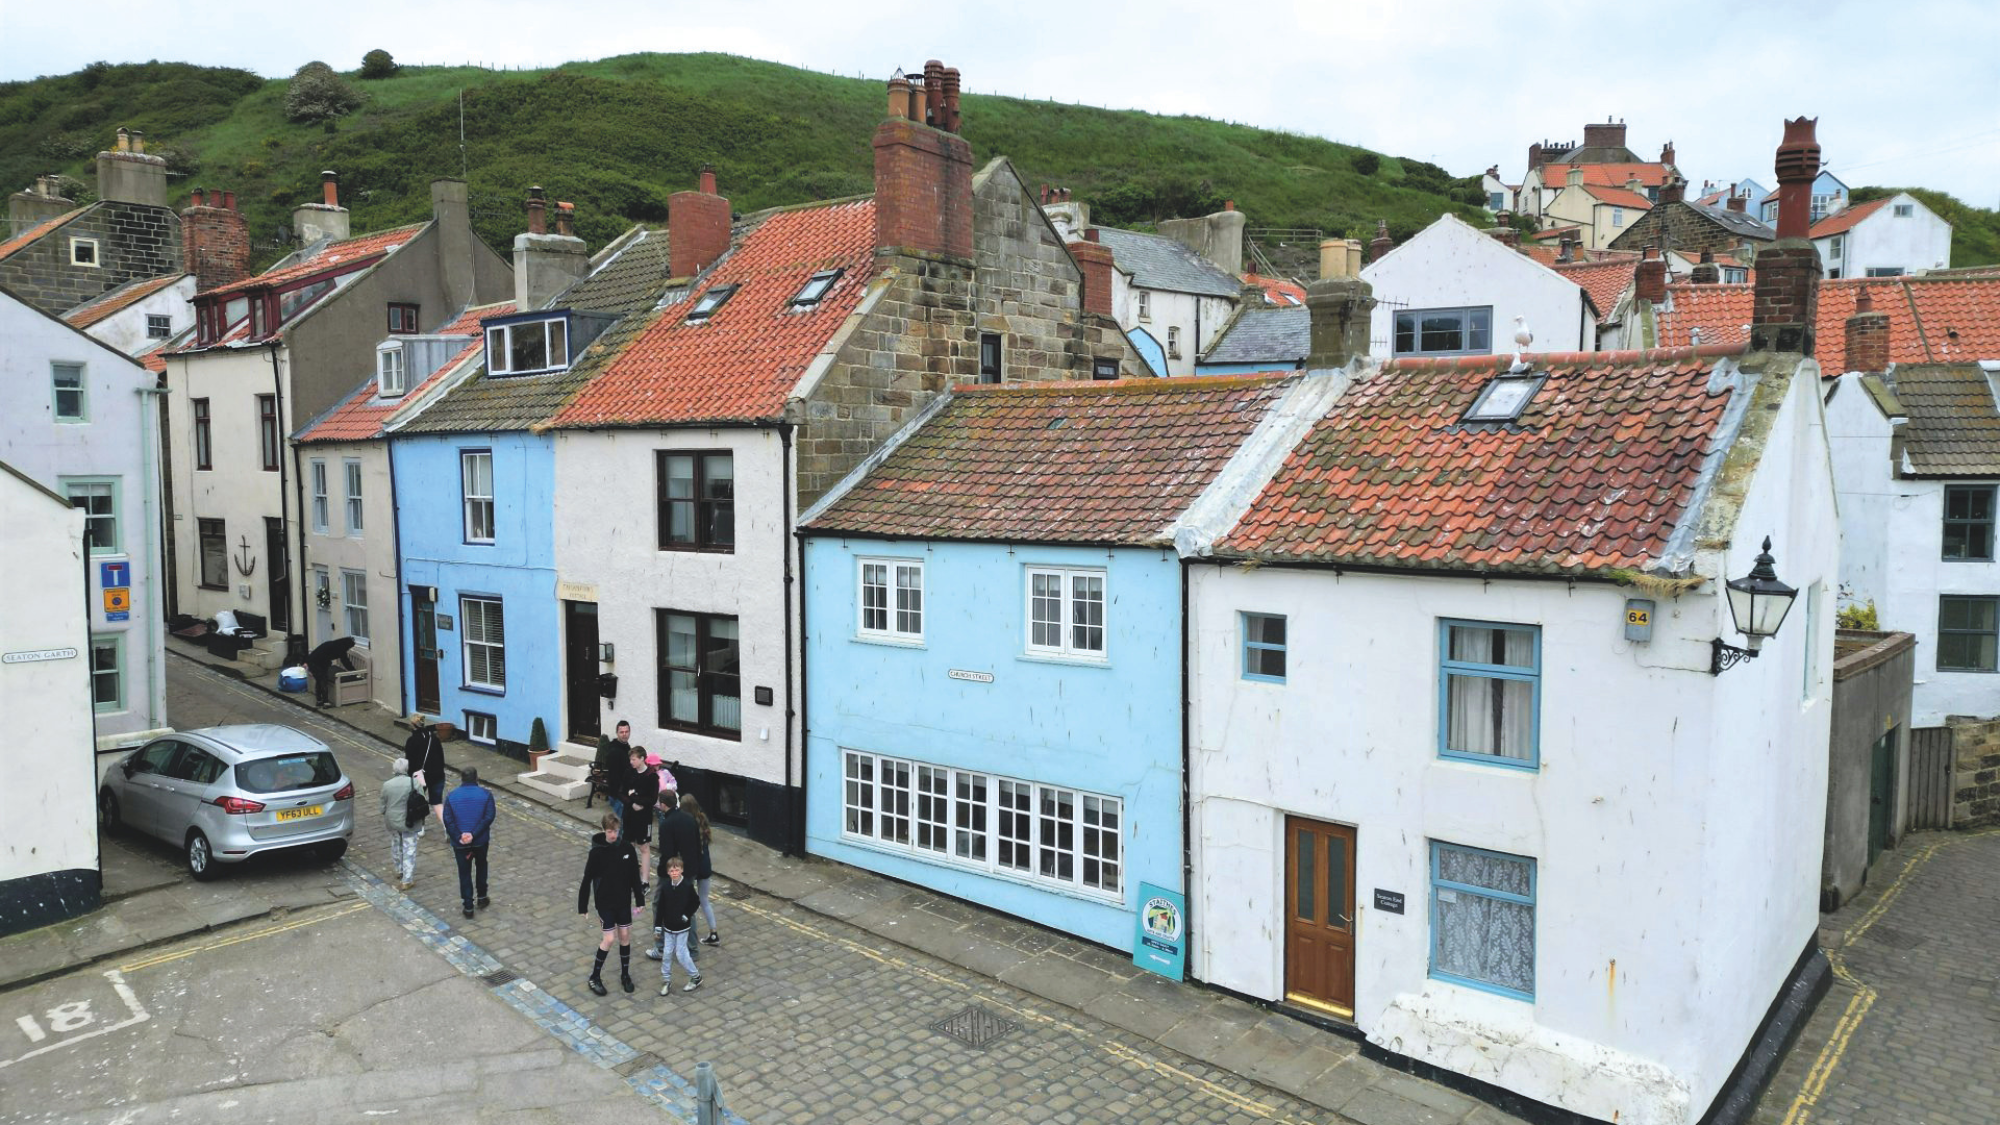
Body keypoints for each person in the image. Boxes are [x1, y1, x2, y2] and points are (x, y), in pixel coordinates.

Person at [576, 812, 645, 996]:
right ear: (603, 830)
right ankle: (595, 976)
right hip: (605, 902)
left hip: (622, 900)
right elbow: (587, 879)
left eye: (615, 831)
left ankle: (625, 975)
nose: (613, 835)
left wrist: (639, 900)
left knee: (624, 935)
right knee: (609, 939)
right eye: (609, 831)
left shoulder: (627, 849)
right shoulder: (597, 852)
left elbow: (633, 877)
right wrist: (582, 906)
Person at [662, 792, 719, 946]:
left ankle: (684, 932)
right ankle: (713, 932)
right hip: (706, 866)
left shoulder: (688, 823)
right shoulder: (702, 820)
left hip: (694, 868)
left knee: (687, 900)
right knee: (704, 900)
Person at [440, 768, 496, 920]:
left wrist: (460, 836)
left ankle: (468, 906)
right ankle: (482, 897)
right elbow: (488, 816)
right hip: (480, 841)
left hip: (460, 844)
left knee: (464, 873)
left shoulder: (452, 796)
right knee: (482, 866)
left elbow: (448, 820)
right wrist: (474, 834)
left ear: (462, 779)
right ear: (476, 778)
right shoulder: (486, 795)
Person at [652, 855, 702, 995]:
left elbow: (695, 901)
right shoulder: (666, 887)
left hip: (682, 928)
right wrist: (657, 927)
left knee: (681, 954)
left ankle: (696, 977)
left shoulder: (687, 886)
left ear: (681, 870)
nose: (674, 873)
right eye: (672, 871)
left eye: (677, 870)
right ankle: (666, 981)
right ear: (668, 872)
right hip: (668, 927)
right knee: (667, 953)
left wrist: (686, 915)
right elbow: (660, 908)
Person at [379, 760, 423, 890]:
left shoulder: (387, 785)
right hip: (409, 820)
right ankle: (407, 880)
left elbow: (382, 806)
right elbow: (422, 800)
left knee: (396, 843)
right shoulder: (414, 783)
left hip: (392, 820)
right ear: (407, 769)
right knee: (409, 848)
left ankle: (399, 870)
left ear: (394, 770)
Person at [622, 748, 661, 887]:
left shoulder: (651, 776)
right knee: (629, 846)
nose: (631, 762)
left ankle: (645, 881)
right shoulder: (629, 772)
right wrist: (632, 803)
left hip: (643, 818)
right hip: (629, 815)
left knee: (643, 847)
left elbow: (652, 799)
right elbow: (622, 793)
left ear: (642, 758)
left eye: (634, 759)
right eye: (630, 759)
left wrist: (635, 798)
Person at [403, 717, 447, 810]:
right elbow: (441, 756)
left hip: (420, 777)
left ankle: (420, 822)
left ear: (413, 726)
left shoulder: (412, 740)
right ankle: (444, 823)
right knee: (437, 803)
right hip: (437, 775)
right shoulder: (434, 738)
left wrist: (410, 776)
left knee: (418, 803)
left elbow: (410, 761)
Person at [590, 721, 632, 812]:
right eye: (621, 732)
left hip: (623, 793)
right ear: (617, 733)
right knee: (621, 824)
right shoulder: (614, 751)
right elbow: (616, 776)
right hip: (619, 795)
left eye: (626, 731)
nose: (624, 734)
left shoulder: (626, 747)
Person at [306, 635, 357, 708]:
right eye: (349, 647)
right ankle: (326, 702)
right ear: (347, 645)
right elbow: (346, 662)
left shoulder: (333, 644)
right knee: (323, 680)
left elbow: (324, 655)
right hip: (318, 663)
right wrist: (353, 672)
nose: (348, 649)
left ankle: (319, 700)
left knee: (319, 680)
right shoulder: (341, 649)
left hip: (312, 661)